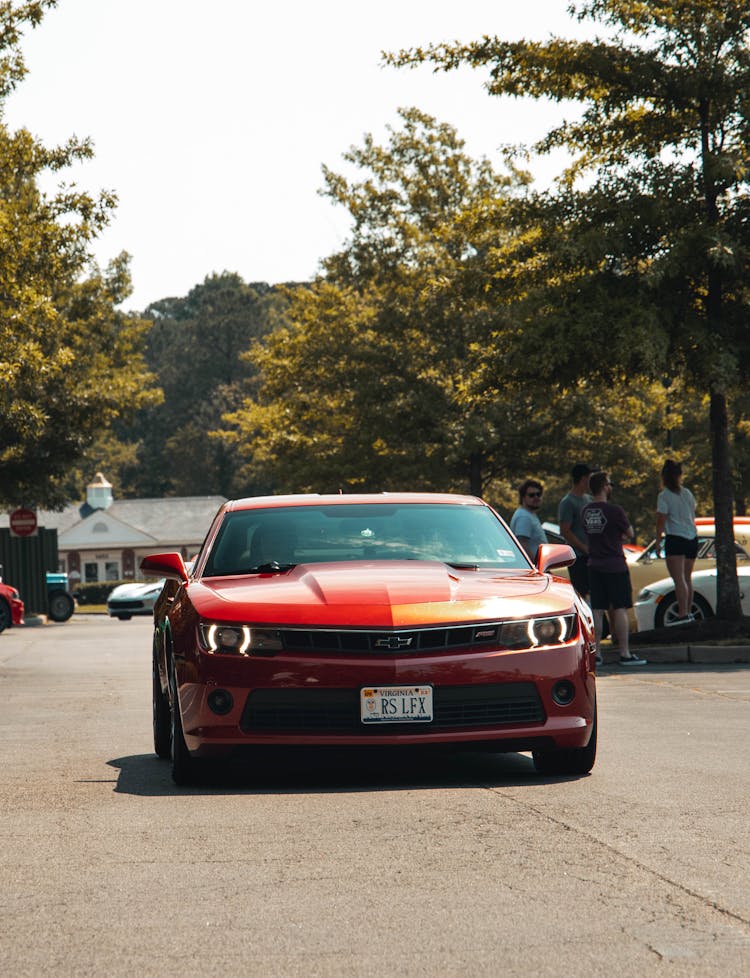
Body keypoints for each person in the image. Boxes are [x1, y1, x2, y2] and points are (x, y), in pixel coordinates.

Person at [582, 471, 647, 666]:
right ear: (603, 486)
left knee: (597, 610)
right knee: (619, 609)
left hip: (594, 565)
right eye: (609, 483)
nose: (611, 487)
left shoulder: (585, 511)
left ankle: (597, 653)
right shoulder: (615, 511)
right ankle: (625, 653)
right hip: (615, 565)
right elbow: (629, 533)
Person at [655, 459, 698, 625]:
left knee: (679, 579)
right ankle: (689, 611)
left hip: (675, 538)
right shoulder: (687, 493)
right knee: (687, 578)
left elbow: (661, 519)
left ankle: (683, 613)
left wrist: (659, 541)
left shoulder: (664, 496)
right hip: (691, 538)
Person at [558, 462, 592, 598]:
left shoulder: (589, 499)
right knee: (581, 594)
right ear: (584, 478)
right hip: (578, 558)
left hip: (592, 557)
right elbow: (565, 531)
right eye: (590, 477)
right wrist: (584, 548)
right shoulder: (568, 502)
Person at [510, 479, 547, 561]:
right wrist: (536, 566)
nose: (536, 497)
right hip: (533, 569)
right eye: (531, 495)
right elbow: (522, 544)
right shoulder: (524, 517)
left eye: (539, 494)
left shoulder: (529, 514)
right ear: (523, 497)